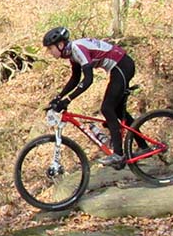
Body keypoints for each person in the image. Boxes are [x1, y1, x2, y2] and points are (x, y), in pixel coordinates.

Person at [41, 26, 148, 167]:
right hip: (118, 67)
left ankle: (118, 154)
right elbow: (75, 78)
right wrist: (59, 97)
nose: (49, 52)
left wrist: (68, 100)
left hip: (122, 65)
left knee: (107, 108)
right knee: (117, 111)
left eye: (50, 48)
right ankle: (144, 146)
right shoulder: (71, 53)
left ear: (60, 45)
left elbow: (88, 80)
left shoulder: (77, 49)